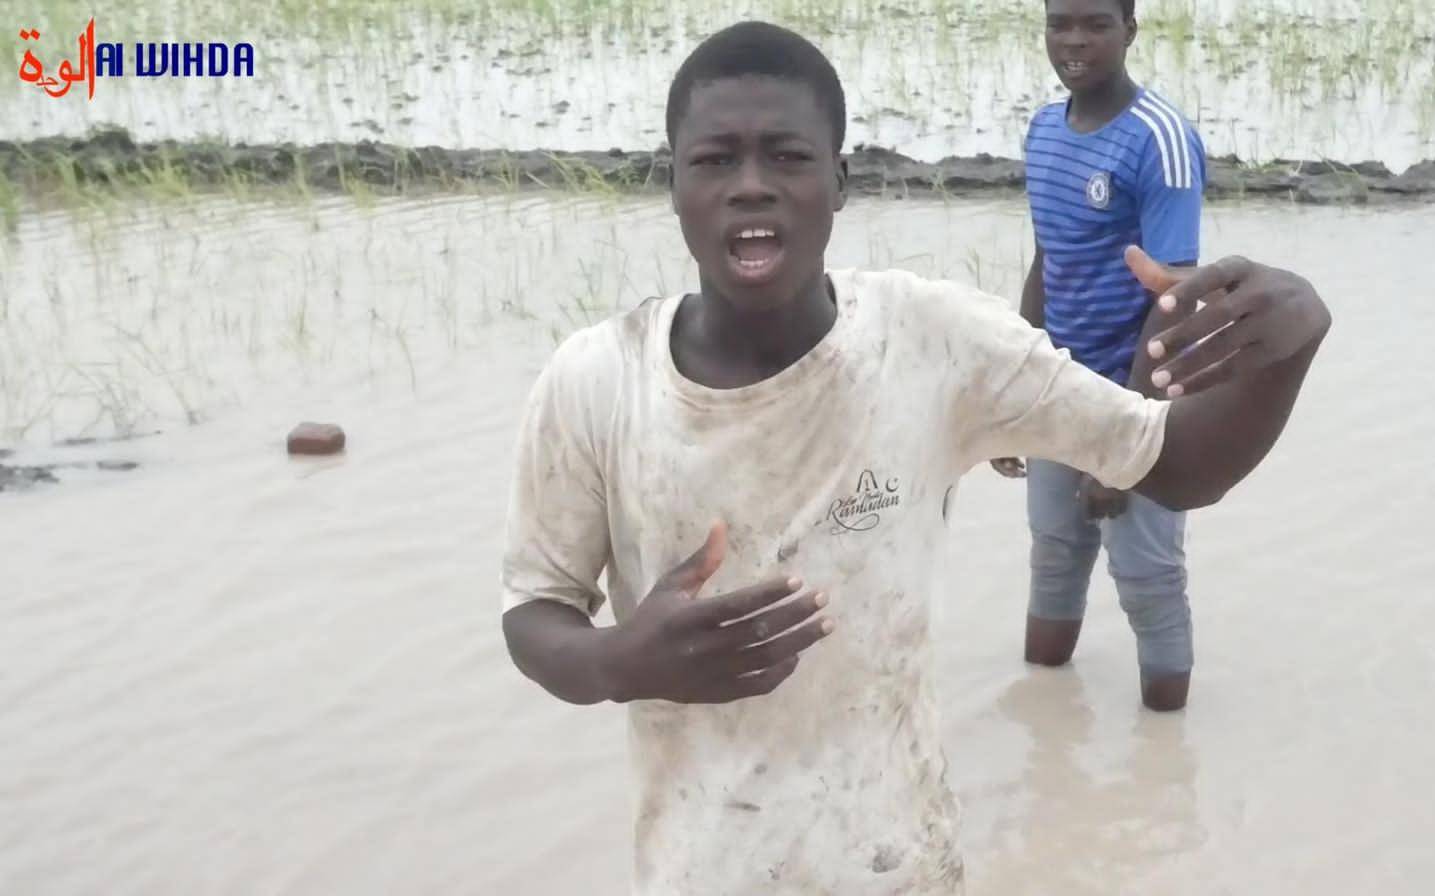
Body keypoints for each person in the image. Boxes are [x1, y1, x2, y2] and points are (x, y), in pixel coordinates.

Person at [499, 20, 1329, 895]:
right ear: (674, 186)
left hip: (899, 865)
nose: (751, 187)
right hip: (698, 869)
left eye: (787, 157)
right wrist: (618, 663)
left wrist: (1289, 352)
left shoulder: (931, 342)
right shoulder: (597, 381)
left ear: (840, 182)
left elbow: (1177, 463)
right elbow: (535, 610)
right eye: (714, 161)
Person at [991, 0, 1209, 713]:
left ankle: (1168, 760)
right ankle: (1043, 733)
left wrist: (1123, 441)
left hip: (1137, 397)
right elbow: (1048, 263)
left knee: (1147, 579)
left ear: (1130, 31)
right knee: (1053, 556)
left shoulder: (1160, 139)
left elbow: (1174, 301)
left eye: (1095, 23)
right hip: (1057, 390)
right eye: (1061, 23)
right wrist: (1014, 399)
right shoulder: (1044, 130)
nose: (1074, 41)